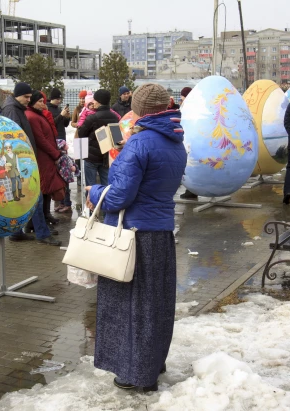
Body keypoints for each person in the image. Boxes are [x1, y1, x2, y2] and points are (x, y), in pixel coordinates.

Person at [85, 83, 187, 392]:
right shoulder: (176, 141)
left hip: (132, 236)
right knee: (156, 304)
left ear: (139, 110)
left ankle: (133, 373)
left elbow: (119, 197)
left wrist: (96, 192)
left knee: (130, 306)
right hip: (160, 233)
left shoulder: (140, 143)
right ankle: (153, 363)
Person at [1, 82, 58, 245]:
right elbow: (12, 139)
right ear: (16, 95)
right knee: (36, 197)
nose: (28, 99)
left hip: (20, 161)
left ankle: (17, 232)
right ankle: (42, 234)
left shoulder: (16, 108)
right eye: (26, 97)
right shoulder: (12, 110)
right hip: (19, 162)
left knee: (23, 198)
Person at [26, 91, 67, 235]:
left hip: (46, 158)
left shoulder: (37, 115)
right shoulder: (32, 116)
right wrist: (55, 154)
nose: (44, 104)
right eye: (40, 101)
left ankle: (40, 221)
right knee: (43, 191)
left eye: (44, 101)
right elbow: (41, 139)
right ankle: (38, 223)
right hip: (43, 159)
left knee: (46, 190)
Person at [78, 89, 120, 192]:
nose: (93, 102)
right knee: (106, 187)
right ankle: (106, 206)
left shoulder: (92, 118)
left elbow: (81, 133)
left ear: (99, 101)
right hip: (106, 157)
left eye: (95, 100)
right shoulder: (115, 117)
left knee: (91, 188)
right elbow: (117, 138)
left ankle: (91, 207)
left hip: (91, 157)